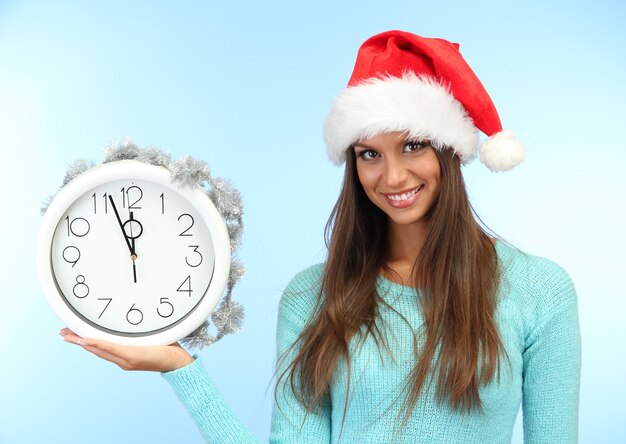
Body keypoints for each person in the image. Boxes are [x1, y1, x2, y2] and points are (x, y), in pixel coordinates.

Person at [60, 30, 581, 443]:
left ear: (450, 150)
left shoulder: (538, 291)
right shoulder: (314, 296)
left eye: (414, 146)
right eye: (369, 154)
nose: (392, 176)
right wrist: (179, 367)